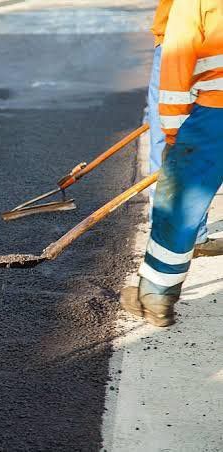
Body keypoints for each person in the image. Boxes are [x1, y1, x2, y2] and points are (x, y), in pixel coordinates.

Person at [121, 0, 223, 327]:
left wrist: (172, 131)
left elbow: (178, 59)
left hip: (215, 111)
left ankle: (156, 293)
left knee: (180, 199)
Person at [147, 0, 222, 256]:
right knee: (171, 134)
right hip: (182, 40)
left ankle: (183, 234)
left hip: (197, 37)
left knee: (177, 130)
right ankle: (174, 238)